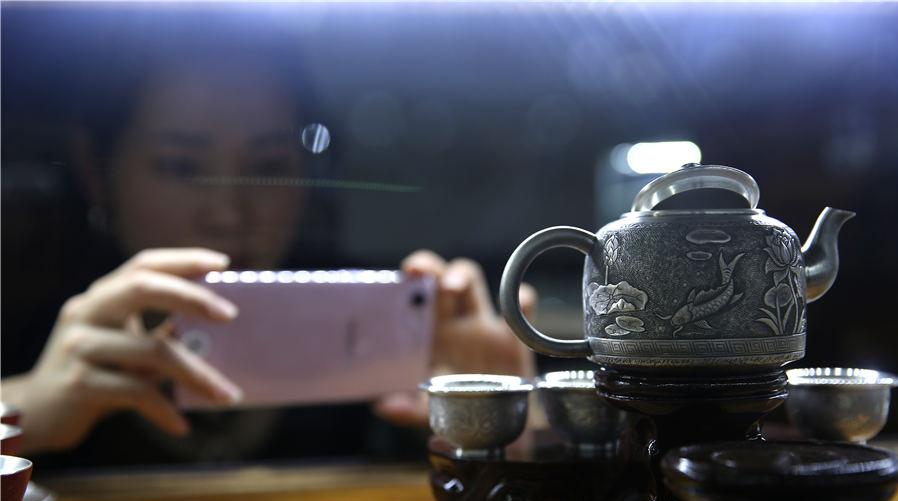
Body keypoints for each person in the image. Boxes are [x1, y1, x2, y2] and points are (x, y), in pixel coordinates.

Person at [0, 39, 535, 461]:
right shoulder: (28, 327)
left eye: (268, 167)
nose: (230, 212)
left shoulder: (378, 340)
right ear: (96, 173)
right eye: (181, 166)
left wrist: (512, 428)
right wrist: (24, 411)